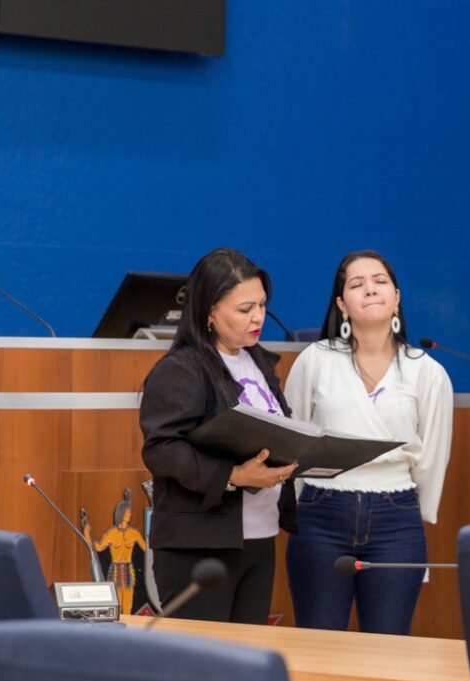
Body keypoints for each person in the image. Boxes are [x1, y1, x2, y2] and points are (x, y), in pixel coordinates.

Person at [284, 250, 453, 635]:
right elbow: (293, 440)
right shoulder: (315, 359)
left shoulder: (427, 371)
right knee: (319, 645)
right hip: (321, 513)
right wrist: (305, 504)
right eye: (357, 285)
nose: (370, 290)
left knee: (389, 648)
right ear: (342, 305)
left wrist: (410, 508)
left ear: (397, 297)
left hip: (396, 518)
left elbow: (433, 458)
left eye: (380, 282)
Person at [140, 247, 298, 624]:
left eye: (261, 305)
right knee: (206, 671)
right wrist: (233, 476)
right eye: (245, 309)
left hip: (258, 537)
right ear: (209, 310)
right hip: (200, 544)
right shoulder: (182, 368)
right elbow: (161, 449)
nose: (258, 316)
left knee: (245, 669)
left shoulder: (258, 360)